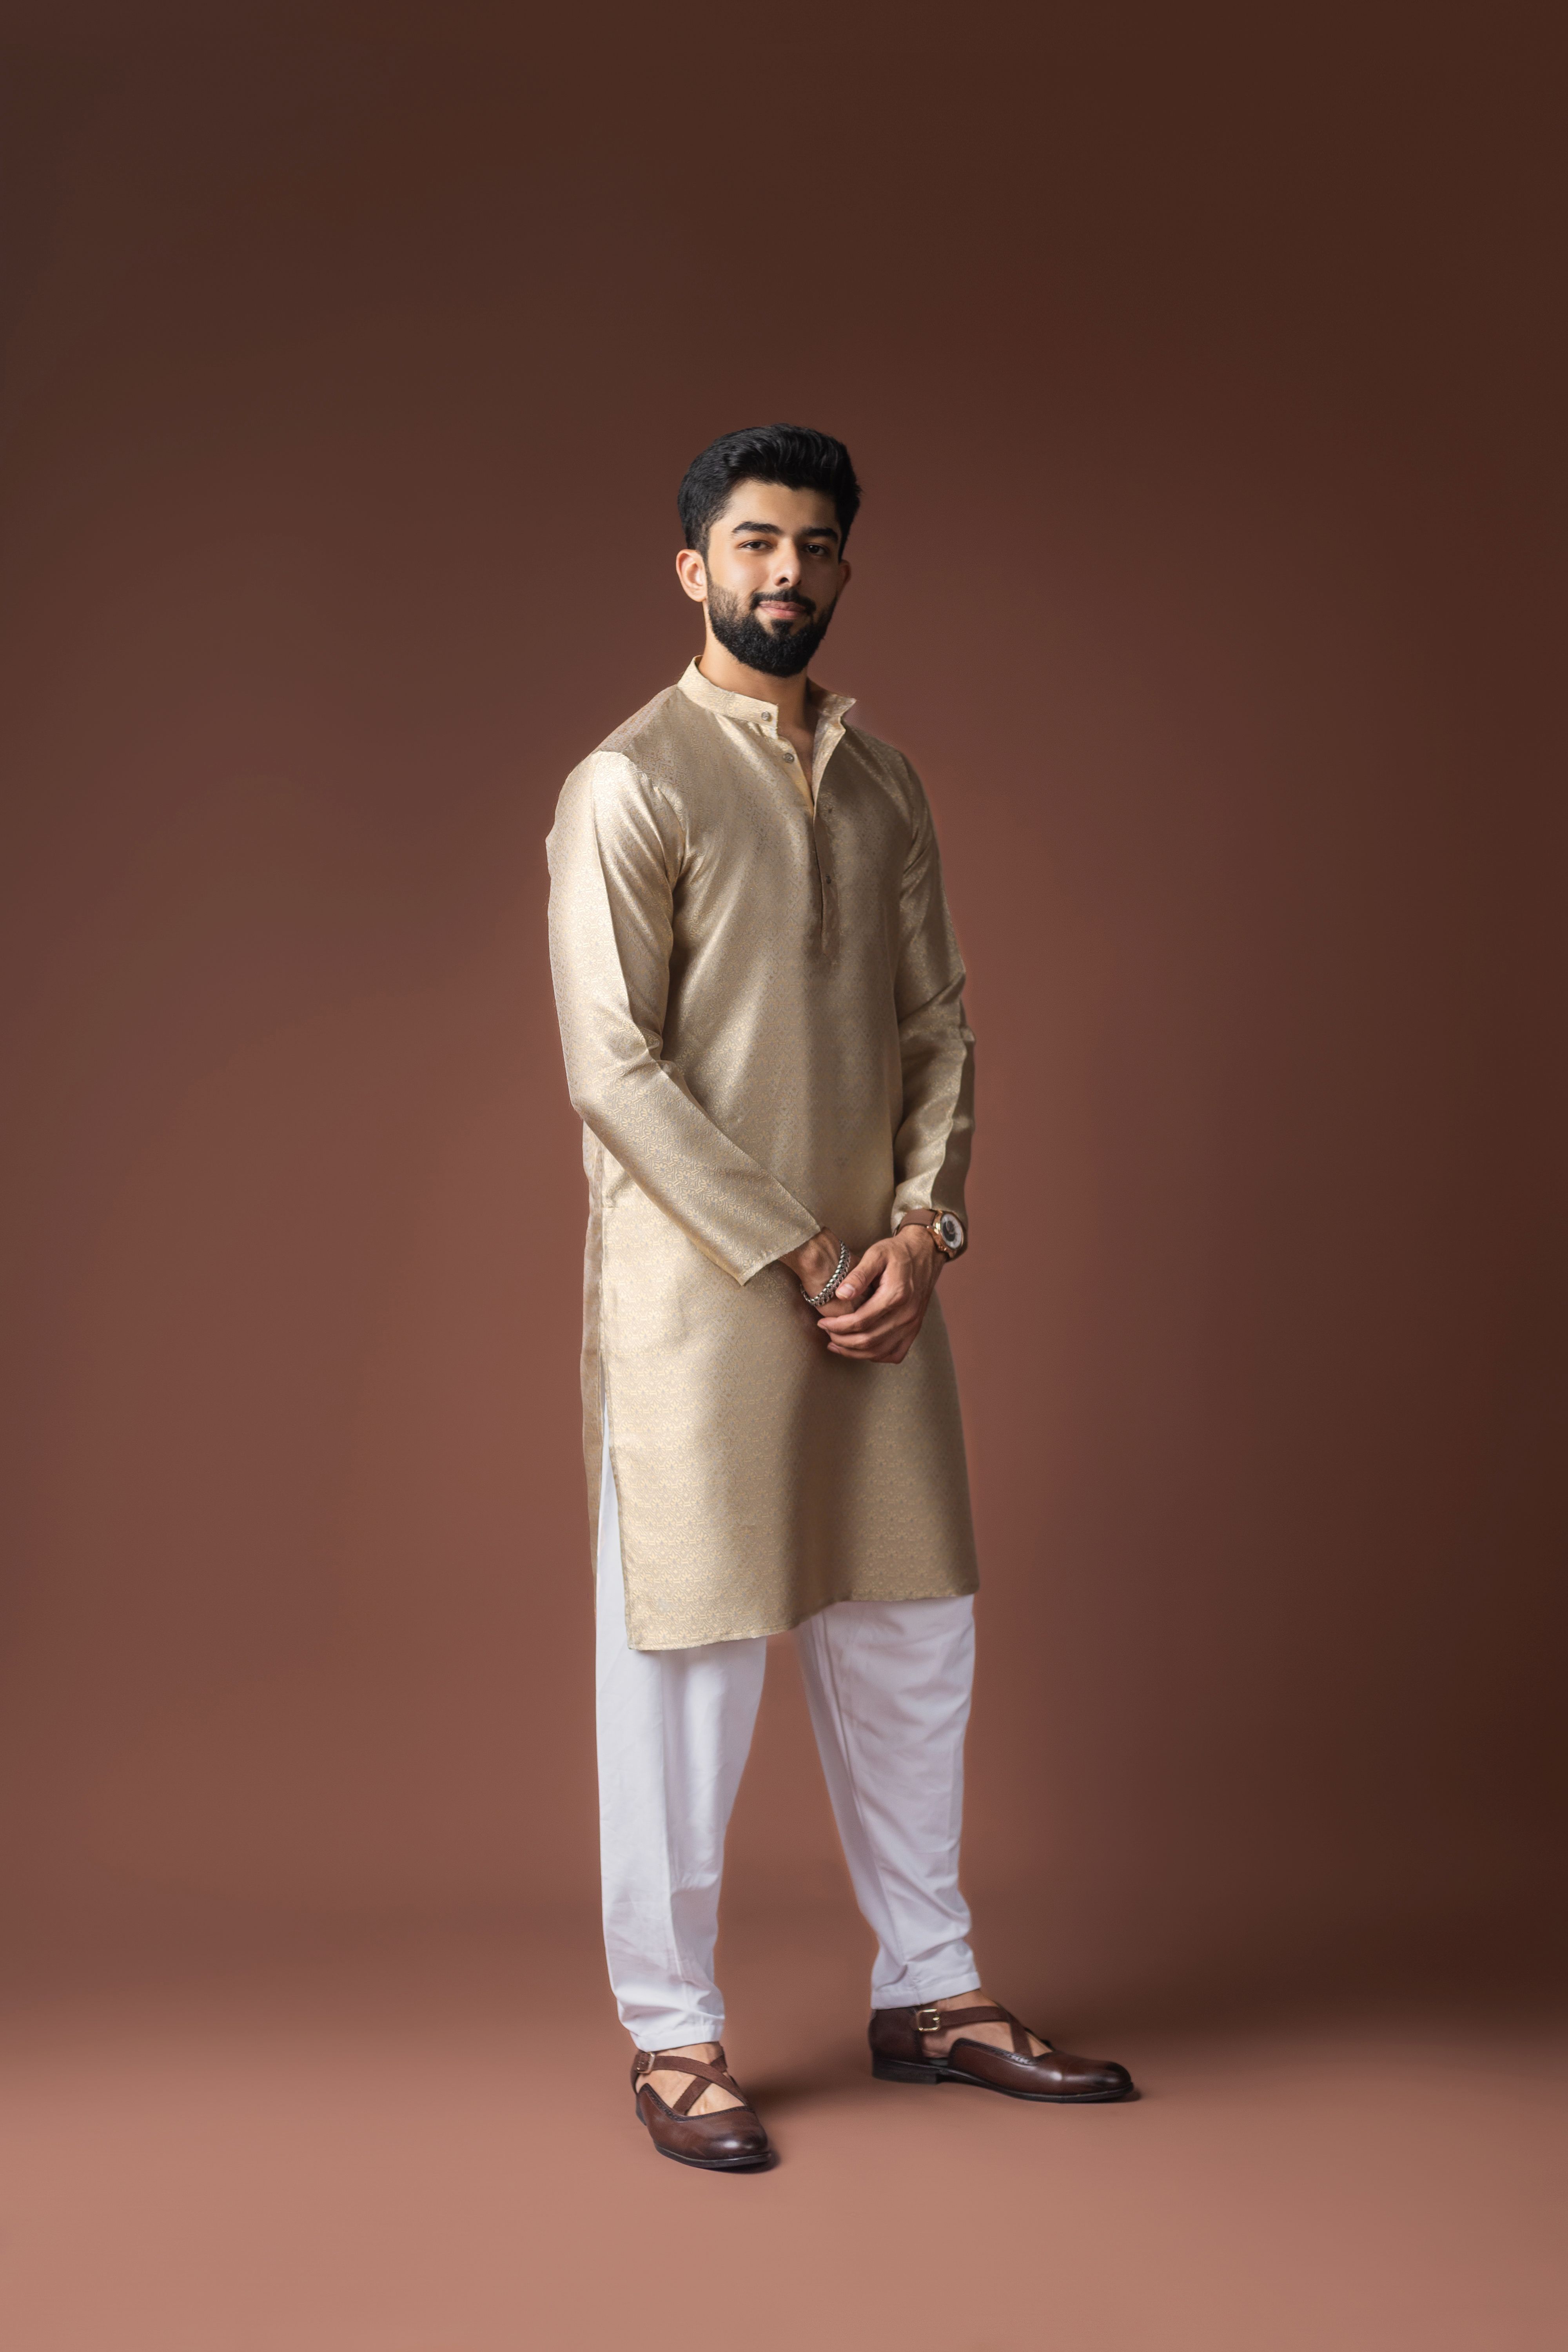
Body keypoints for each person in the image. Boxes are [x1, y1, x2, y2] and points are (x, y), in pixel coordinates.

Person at [546, 424, 1131, 2170]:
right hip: (708, 1308)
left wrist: (925, 1231)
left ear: (843, 569)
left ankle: (932, 1993)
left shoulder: (883, 784)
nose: (783, 573)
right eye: (752, 543)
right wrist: (806, 1251)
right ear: (693, 568)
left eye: (812, 546)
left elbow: (937, 1022)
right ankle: (671, 2035)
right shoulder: (629, 782)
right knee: (687, 1667)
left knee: (912, 1637)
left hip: (881, 1291)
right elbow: (614, 1068)